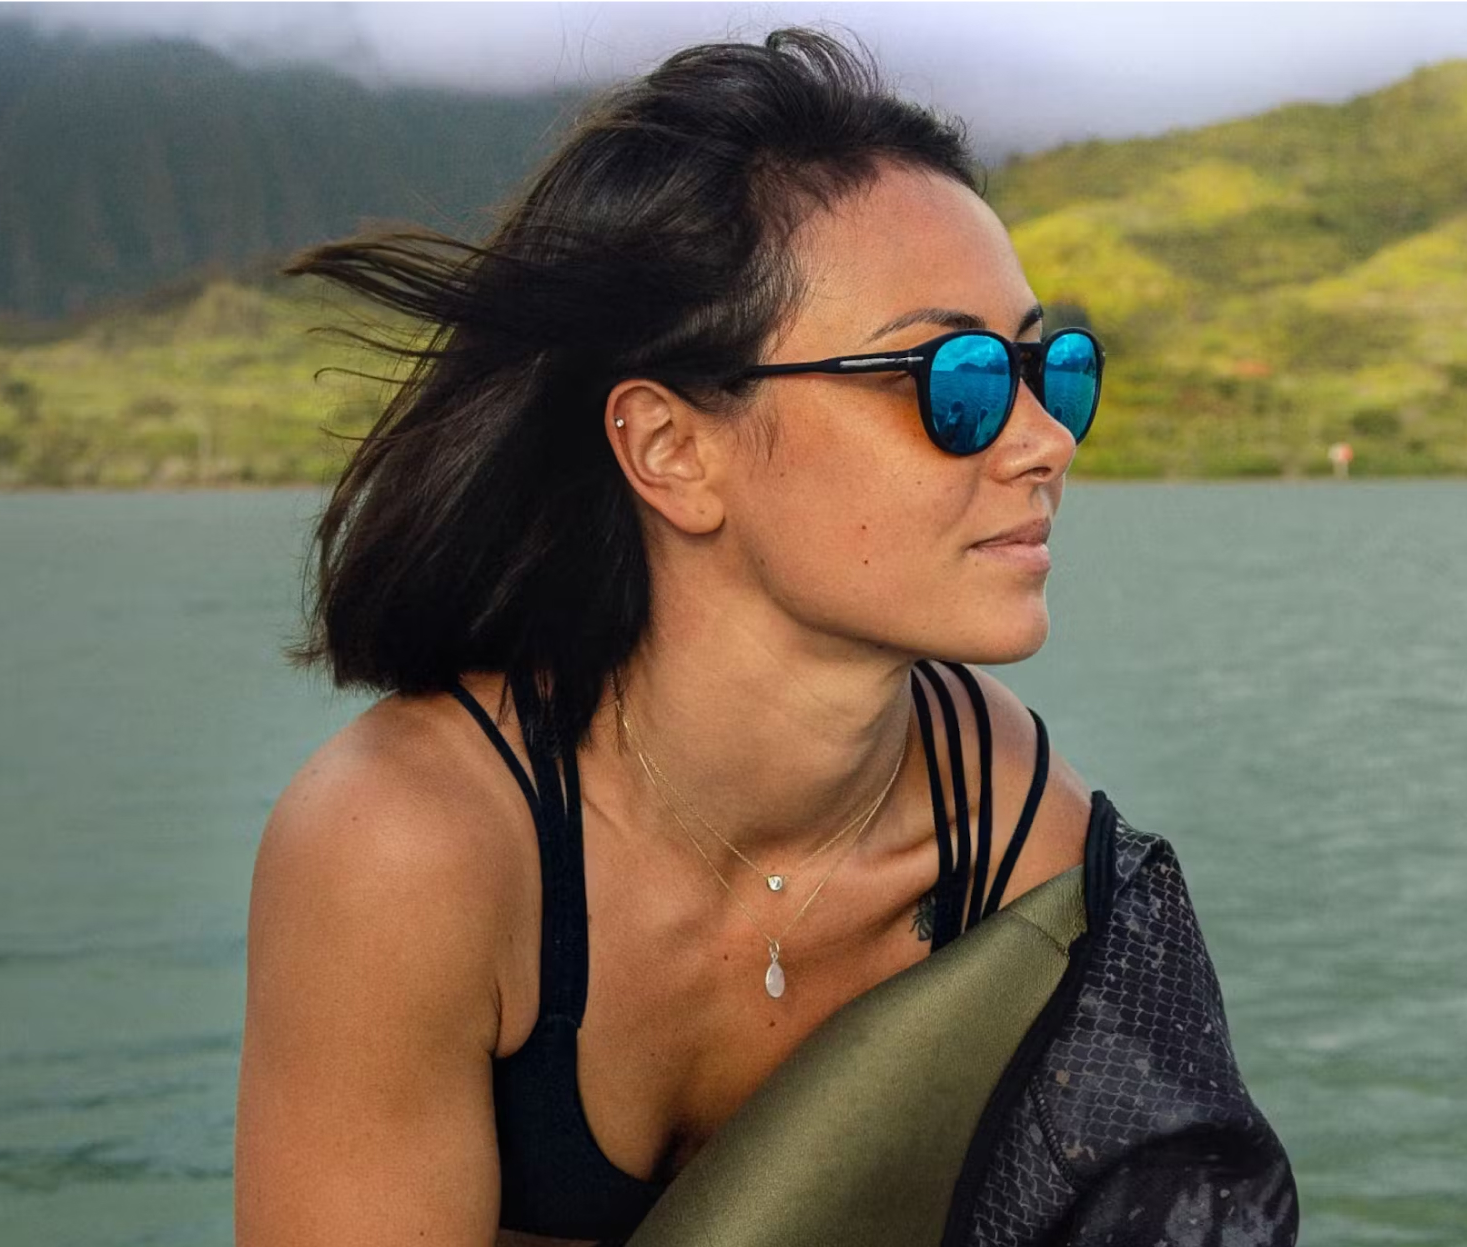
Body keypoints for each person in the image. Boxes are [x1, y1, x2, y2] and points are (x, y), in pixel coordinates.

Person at [232, 28, 1292, 1247]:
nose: (1046, 439)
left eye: (1050, 367)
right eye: (953, 381)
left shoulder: (1011, 837)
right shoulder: (413, 847)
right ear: (673, 450)